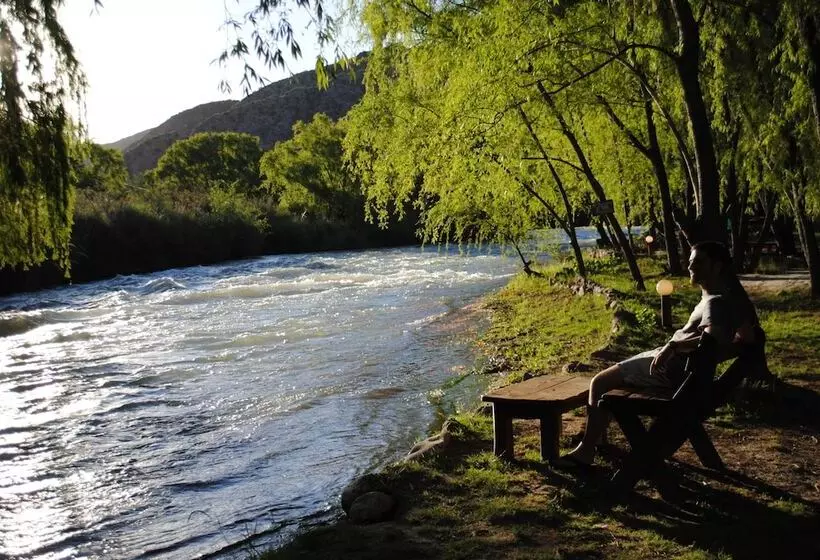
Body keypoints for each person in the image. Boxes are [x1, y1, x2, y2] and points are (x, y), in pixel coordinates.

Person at [557, 241, 758, 467]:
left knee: (600, 382)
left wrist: (672, 347)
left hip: (671, 370)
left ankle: (586, 451)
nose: (691, 267)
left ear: (717, 266)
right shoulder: (727, 298)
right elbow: (747, 338)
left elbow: (711, 339)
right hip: (685, 374)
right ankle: (597, 443)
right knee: (607, 383)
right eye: (691, 262)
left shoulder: (715, 303)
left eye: (699, 262)